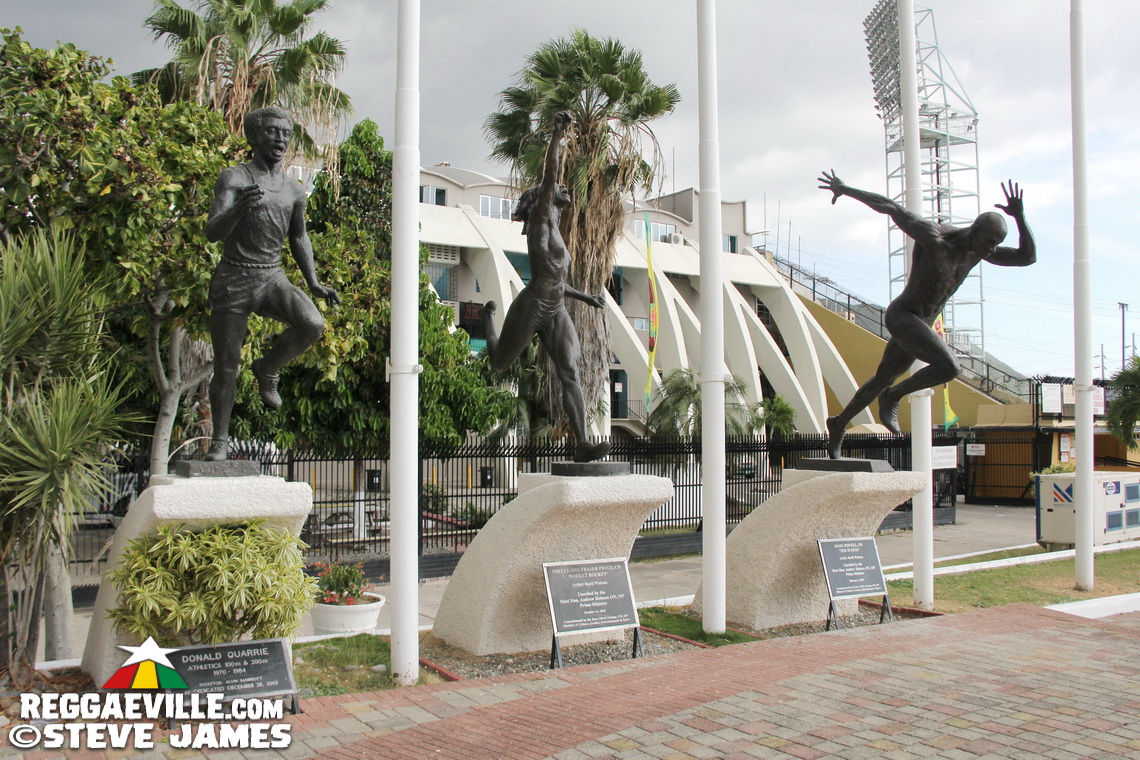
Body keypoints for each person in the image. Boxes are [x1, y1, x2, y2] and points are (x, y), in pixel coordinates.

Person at [817, 170, 1035, 459]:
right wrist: (846, 189)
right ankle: (893, 397)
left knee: (882, 378)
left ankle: (839, 423)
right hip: (903, 315)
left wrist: (1019, 217)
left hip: (922, 323)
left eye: (996, 243)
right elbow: (892, 208)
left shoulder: (977, 252)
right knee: (950, 367)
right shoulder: (936, 239)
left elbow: (1026, 257)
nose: (992, 249)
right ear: (975, 229)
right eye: (990, 241)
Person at [203, 107, 340, 462]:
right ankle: (220, 440)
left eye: (284, 133)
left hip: (271, 276)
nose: (279, 139)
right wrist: (238, 210)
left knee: (313, 324)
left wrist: (314, 282)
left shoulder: (294, 190)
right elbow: (212, 231)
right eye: (271, 132)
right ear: (253, 136)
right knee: (227, 366)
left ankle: (267, 368)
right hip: (234, 278)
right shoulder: (234, 178)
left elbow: (299, 237)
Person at [482, 111, 610, 463]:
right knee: (500, 362)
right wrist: (557, 135)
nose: (564, 190)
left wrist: (587, 298)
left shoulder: (556, 232)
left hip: (554, 307)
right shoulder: (541, 221)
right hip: (533, 304)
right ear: (545, 198)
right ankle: (487, 320)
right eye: (557, 190)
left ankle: (584, 442)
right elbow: (551, 175)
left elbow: (558, 281)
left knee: (569, 371)